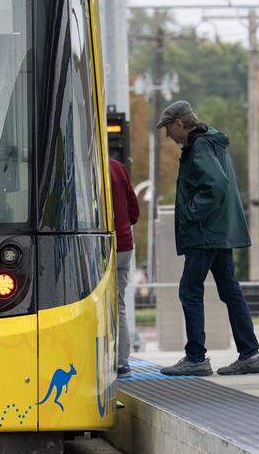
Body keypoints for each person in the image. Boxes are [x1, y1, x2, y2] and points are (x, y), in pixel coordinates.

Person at [155, 100, 259, 377]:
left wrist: (191, 214)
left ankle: (196, 357)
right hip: (219, 232)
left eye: (169, 129)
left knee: (189, 290)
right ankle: (250, 354)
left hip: (204, 233)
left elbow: (215, 185)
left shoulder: (200, 146)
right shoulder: (211, 142)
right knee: (230, 290)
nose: (168, 136)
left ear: (180, 124)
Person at [109, 156, 140, 379]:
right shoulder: (118, 168)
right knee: (118, 304)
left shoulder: (87, 165)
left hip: (102, 246)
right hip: (124, 244)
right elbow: (134, 211)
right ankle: (122, 363)